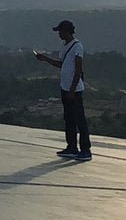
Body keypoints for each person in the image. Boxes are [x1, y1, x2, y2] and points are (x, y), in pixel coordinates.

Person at [34, 19, 91, 161]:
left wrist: (72, 90)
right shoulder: (65, 46)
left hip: (74, 90)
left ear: (66, 31)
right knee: (69, 119)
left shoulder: (77, 46)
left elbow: (78, 70)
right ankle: (72, 147)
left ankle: (85, 149)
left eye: (60, 31)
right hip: (65, 87)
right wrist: (45, 58)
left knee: (79, 120)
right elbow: (61, 64)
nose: (59, 34)